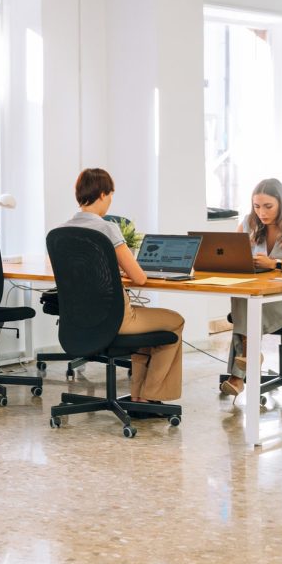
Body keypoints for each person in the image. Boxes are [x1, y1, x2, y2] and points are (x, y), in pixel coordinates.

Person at [55, 168, 185, 408]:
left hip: (82, 317)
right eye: (111, 195)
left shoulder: (61, 231)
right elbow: (140, 278)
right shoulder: (107, 228)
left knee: (151, 327)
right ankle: (149, 395)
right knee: (175, 320)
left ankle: (139, 396)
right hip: (117, 318)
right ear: (103, 194)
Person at [220, 178, 282, 396]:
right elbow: (231, 255)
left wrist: (276, 263)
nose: (261, 212)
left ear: (281, 203)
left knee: (247, 305)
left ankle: (239, 373)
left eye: (268, 206)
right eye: (256, 206)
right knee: (244, 297)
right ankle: (248, 358)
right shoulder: (249, 223)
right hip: (261, 292)